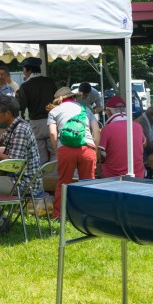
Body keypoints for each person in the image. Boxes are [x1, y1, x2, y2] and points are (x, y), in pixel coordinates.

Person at [0, 95, 46, 214]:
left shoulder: (20, 130)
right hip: (19, 179)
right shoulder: (16, 125)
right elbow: (1, 139)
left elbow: (13, 164)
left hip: (23, 183)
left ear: (8, 113)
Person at [49, 87, 100, 218]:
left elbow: (53, 133)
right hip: (87, 148)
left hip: (66, 149)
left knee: (63, 183)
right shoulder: (85, 109)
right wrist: (95, 148)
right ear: (73, 97)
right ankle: (87, 214)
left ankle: (59, 215)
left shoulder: (54, 111)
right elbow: (96, 130)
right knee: (88, 184)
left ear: (59, 100)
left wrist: (57, 149)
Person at [16, 57, 58, 164]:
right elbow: (57, 100)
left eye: (24, 69)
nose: (23, 72)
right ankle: (54, 177)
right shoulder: (50, 82)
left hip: (35, 122)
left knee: (40, 155)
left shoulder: (25, 86)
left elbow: (21, 106)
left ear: (29, 70)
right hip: (51, 121)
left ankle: (44, 178)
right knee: (55, 153)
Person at [97, 95, 145, 178]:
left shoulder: (107, 128)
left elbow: (99, 154)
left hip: (112, 175)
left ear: (109, 112)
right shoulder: (138, 126)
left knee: (95, 166)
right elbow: (144, 144)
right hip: (138, 174)